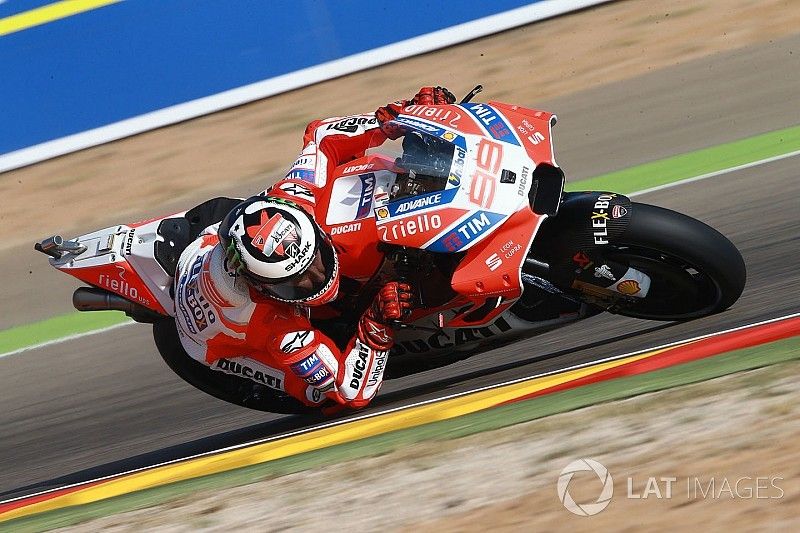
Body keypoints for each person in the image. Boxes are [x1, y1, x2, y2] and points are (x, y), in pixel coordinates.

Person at [172, 86, 456, 412]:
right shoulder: (277, 328)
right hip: (212, 343)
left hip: (208, 239)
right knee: (319, 398)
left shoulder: (294, 196)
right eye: (300, 280)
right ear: (266, 288)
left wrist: (399, 118)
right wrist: (375, 324)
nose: (319, 275)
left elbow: (320, 136)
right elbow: (351, 392)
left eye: (315, 257)